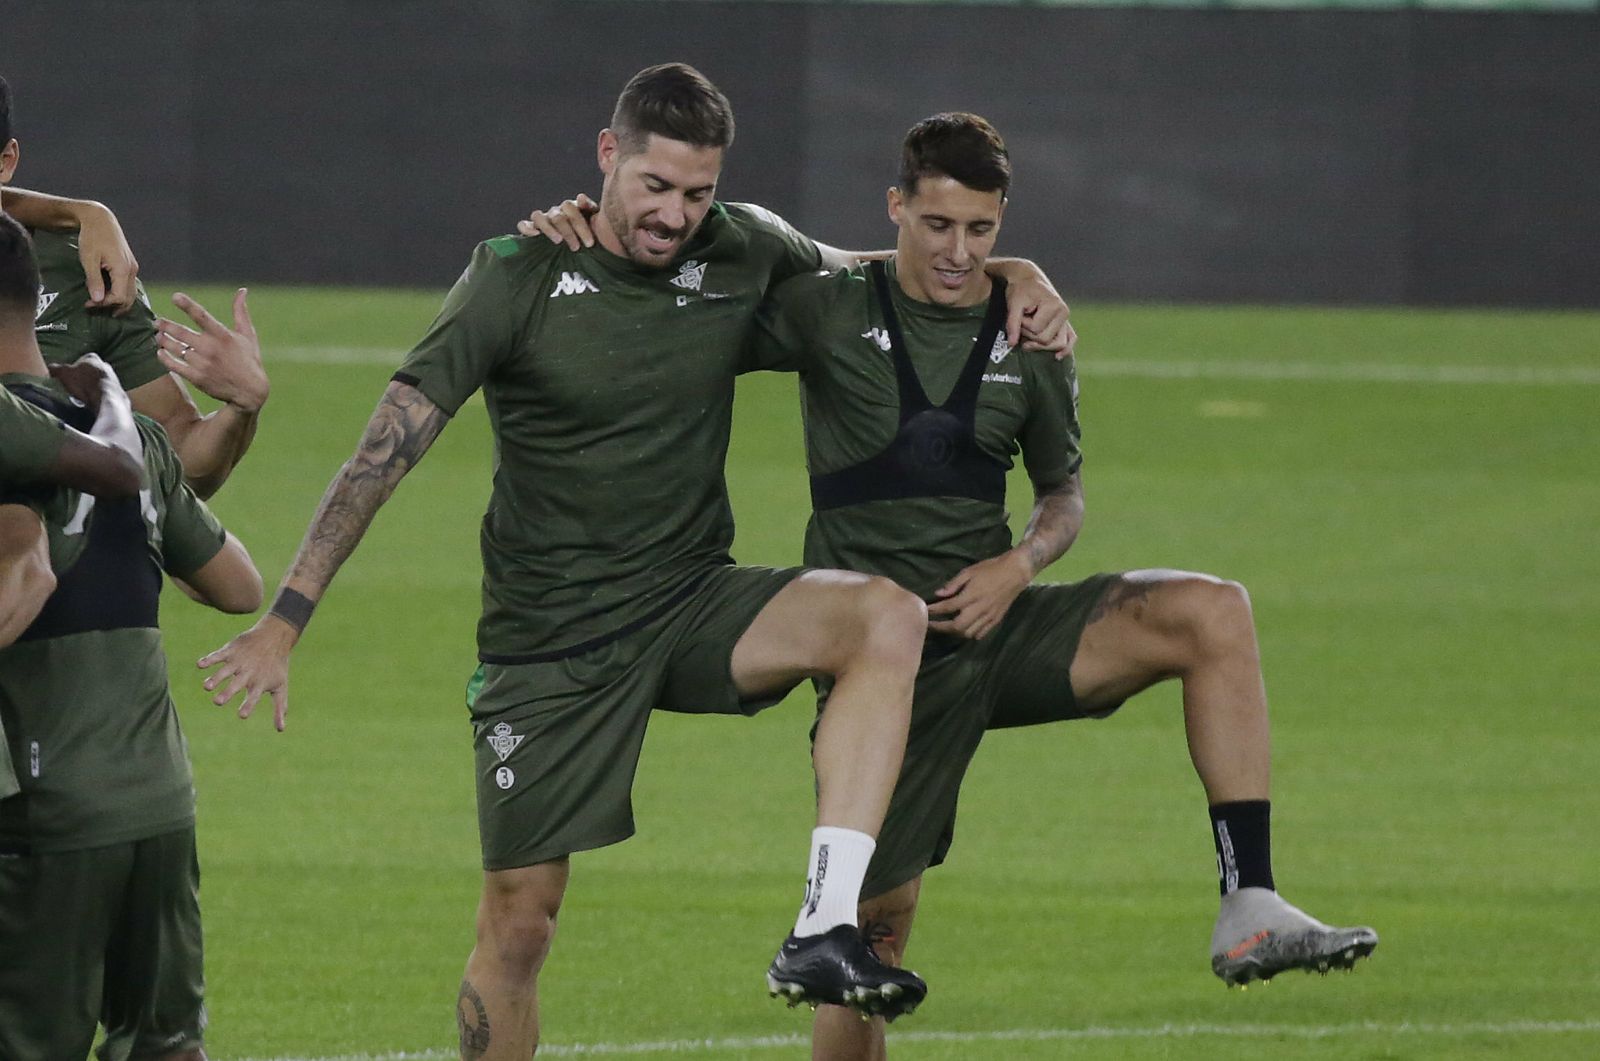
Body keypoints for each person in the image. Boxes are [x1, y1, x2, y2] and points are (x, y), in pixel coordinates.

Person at [197, 62, 1076, 1059]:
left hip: (690, 594)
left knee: (887, 614)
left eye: (696, 193)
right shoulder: (516, 274)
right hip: (551, 636)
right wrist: (286, 615)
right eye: (655, 187)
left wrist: (1016, 273)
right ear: (608, 157)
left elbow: (889, 268)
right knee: (520, 922)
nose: (674, 215)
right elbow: (385, 448)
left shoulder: (743, 246)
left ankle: (821, 922)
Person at [738, 112, 1379, 1060]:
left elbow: (1063, 495)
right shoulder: (828, 308)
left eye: (983, 232)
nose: (960, 252)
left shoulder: (1031, 337)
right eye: (938, 225)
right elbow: (706, 312)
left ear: (1003, 223)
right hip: (891, 664)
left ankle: (1249, 902)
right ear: (897, 209)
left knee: (1211, 610)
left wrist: (1021, 563)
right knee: (875, 933)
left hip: (1006, 627)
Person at [0, 212, 264, 1061]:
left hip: (46, 809)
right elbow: (238, 585)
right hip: (158, 799)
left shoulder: (16, 440)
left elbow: (26, 564)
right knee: (167, 1044)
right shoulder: (141, 439)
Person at [0, 73, 270, 498]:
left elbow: (185, 466)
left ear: (6, 161)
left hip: (48, 557)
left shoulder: (81, 273)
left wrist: (241, 407)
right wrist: (87, 211)